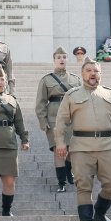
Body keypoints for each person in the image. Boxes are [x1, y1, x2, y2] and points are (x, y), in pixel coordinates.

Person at [53, 60, 111, 221]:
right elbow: (60, 121)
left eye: (96, 71)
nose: (93, 74)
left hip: (107, 145)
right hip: (81, 146)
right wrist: (60, 142)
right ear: (82, 74)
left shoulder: (110, 95)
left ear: (100, 74)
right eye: (89, 70)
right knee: (83, 185)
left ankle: (100, 212)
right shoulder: (72, 95)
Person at [0, 65, 29, 216]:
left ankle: (6, 211)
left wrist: (24, 139)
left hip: (9, 143)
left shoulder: (12, 100)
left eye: (3, 79)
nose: (0, 82)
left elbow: (19, 121)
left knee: (9, 180)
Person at [34, 47, 82, 192]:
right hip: (54, 117)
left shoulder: (76, 79)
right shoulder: (46, 80)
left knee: (72, 149)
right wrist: (43, 121)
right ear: (54, 60)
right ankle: (62, 181)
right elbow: (40, 102)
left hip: (72, 117)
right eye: (59, 57)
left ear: (68, 60)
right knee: (58, 150)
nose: (62, 59)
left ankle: (69, 170)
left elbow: (82, 99)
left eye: (64, 57)